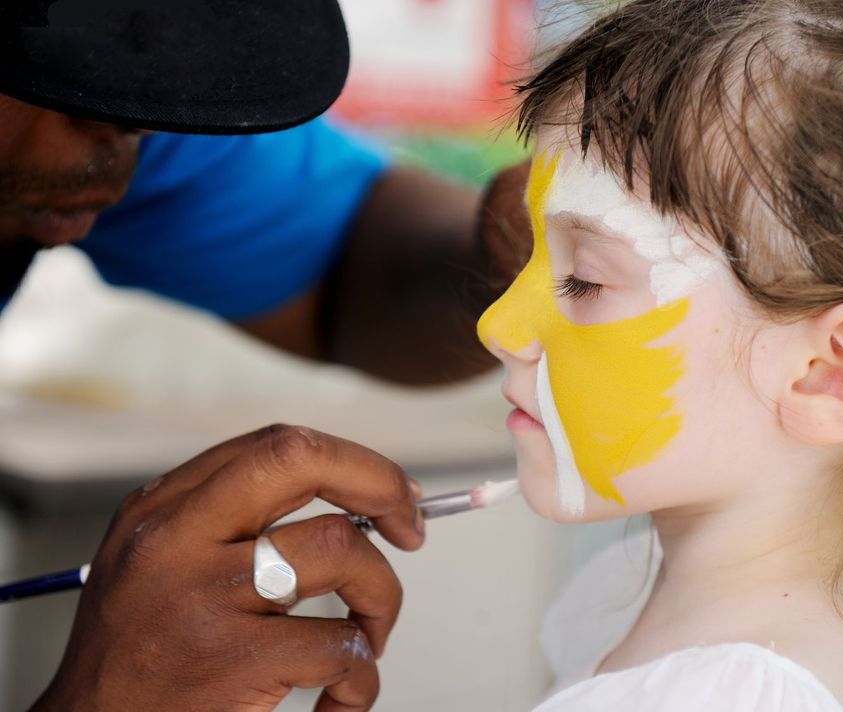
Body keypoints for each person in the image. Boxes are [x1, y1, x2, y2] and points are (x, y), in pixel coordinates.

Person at [477, 0, 843, 710]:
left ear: (836, 374)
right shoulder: (625, 590)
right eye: (536, 252)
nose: (499, 324)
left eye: (586, 279)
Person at [1, 1, 530, 710]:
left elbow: (348, 263)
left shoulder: (120, 119)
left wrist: (498, 256)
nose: (124, 135)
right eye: (61, 81)